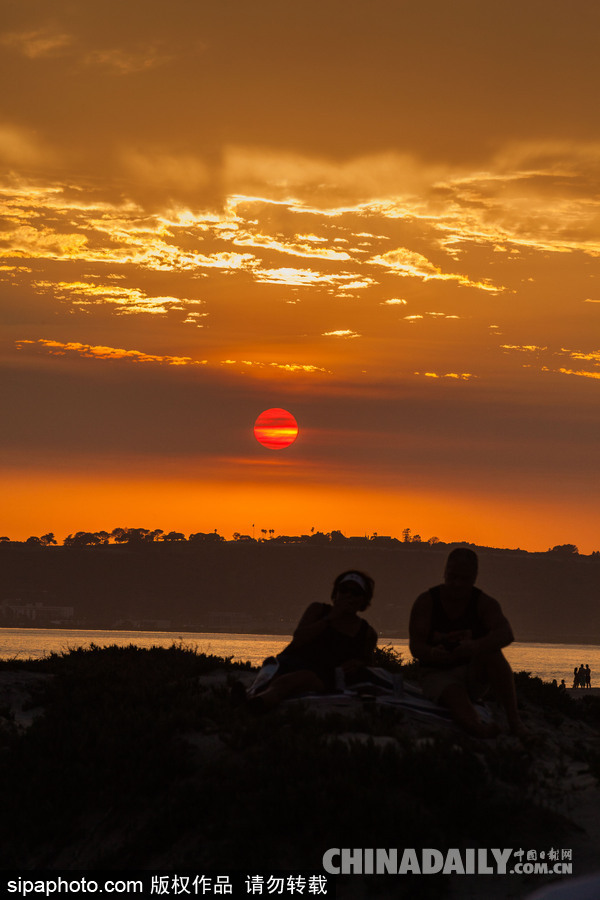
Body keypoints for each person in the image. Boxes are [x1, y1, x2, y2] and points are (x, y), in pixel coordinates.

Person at [409, 547, 524, 738]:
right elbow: (416, 646)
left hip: (472, 672)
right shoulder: (427, 602)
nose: (457, 584)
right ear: (445, 573)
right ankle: (477, 727)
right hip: (437, 673)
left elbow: (506, 634)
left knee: (493, 654)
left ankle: (514, 721)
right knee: (455, 697)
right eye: (452, 577)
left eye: (464, 579)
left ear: (474, 578)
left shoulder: (484, 603)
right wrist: (432, 653)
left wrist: (476, 646)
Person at [234, 570, 378, 713]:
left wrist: (359, 664)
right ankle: (251, 702)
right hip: (289, 662)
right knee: (274, 680)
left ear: (364, 600)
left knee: (287, 682)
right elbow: (299, 639)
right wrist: (331, 618)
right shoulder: (318, 610)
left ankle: (249, 708)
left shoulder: (366, 632)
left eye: (355, 592)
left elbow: (369, 664)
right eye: (344, 590)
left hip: (322, 675)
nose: (348, 595)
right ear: (336, 593)